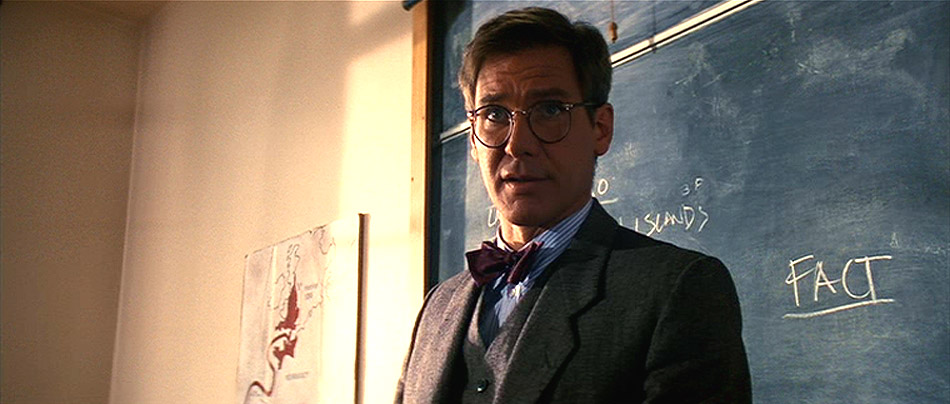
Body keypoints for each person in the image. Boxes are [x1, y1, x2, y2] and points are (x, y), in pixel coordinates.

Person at [396, 7, 751, 403]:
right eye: (494, 114)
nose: (517, 143)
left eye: (549, 110)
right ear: (473, 142)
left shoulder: (677, 290)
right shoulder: (436, 307)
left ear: (600, 129)